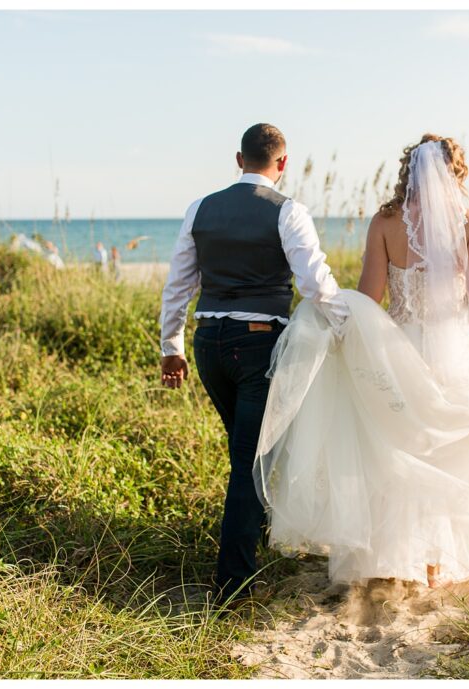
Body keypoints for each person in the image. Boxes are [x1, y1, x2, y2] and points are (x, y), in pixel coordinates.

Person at [253, 134, 469, 589]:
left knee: (395, 447)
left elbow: (370, 296)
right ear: (456, 172)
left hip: (399, 347)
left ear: (409, 171)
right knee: (449, 453)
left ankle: (386, 557)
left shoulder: (384, 223)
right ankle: (435, 565)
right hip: (456, 348)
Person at [159, 123, 348, 606]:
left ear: (239, 159)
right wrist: (347, 326)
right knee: (250, 459)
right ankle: (234, 584)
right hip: (258, 346)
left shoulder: (200, 208)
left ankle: (251, 537)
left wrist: (171, 346)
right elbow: (315, 283)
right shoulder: (288, 211)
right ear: (281, 164)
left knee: (247, 452)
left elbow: (179, 284)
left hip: (208, 347)